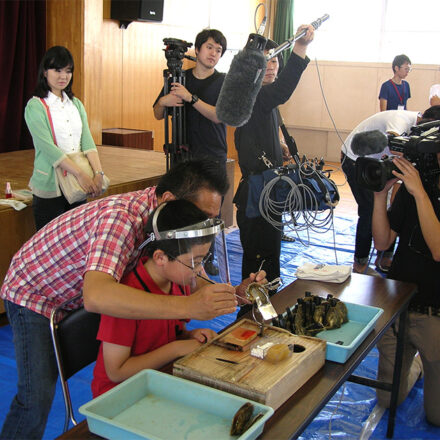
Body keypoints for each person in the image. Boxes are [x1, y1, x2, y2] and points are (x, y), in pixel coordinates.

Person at [0, 159, 268, 439]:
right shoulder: (121, 221)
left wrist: (234, 295)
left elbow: (187, 271)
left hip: (81, 287)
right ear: (169, 201)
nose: (204, 227)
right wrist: (187, 307)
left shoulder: (167, 227)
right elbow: (97, 295)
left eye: (210, 220)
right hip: (35, 292)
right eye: (200, 216)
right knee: (36, 398)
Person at [92, 199, 219, 397]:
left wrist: (190, 336)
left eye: (202, 261)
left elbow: (171, 334)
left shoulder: (177, 281)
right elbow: (116, 372)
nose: (198, 271)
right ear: (160, 258)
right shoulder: (125, 300)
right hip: (120, 395)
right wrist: (176, 349)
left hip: (159, 380)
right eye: (194, 262)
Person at [233, 26, 314, 287]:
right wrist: (300, 48)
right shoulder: (252, 93)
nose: (271, 66)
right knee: (258, 258)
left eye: (275, 60)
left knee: (270, 254)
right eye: (265, 60)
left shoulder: (264, 100)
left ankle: (268, 300)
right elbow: (282, 90)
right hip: (256, 193)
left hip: (268, 189)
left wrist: (278, 144)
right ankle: (253, 305)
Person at [372, 148, 440, 426]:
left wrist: (420, 193)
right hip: (399, 305)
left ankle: (422, 362)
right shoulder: (415, 185)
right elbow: (382, 241)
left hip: (435, 311)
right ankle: (417, 364)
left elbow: (438, 250)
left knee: (437, 416)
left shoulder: (418, 189)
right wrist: (380, 195)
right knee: (387, 399)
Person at [153, 29, 228, 276]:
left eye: (218, 50)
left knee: (209, 210)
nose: (213, 53)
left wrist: (190, 98)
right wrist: (164, 102)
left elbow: (219, 115)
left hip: (212, 153)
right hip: (182, 153)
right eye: (209, 47)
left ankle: (208, 255)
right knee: (182, 206)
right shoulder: (179, 77)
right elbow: (157, 112)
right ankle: (180, 253)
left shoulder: (223, 81)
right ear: (196, 50)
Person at [25, 46, 105, 231]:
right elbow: (48, 148)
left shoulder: (76, 104)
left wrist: (98, 173)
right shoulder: (36, 106)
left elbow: (87, 142)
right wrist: (81, 174)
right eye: (57, 70)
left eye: (68, 71)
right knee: (50, 243)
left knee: (77, 241)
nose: (63, 76)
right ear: (45, 72)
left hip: (77, 185)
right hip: (52, 186)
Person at [341, 109, 422, 273]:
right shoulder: (401, 119)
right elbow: (393, 143)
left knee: (391, 210)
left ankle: (384, 256)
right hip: (356, 160)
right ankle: (360, 262)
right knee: (370, 211)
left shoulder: (415, 127)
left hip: (382, 164)